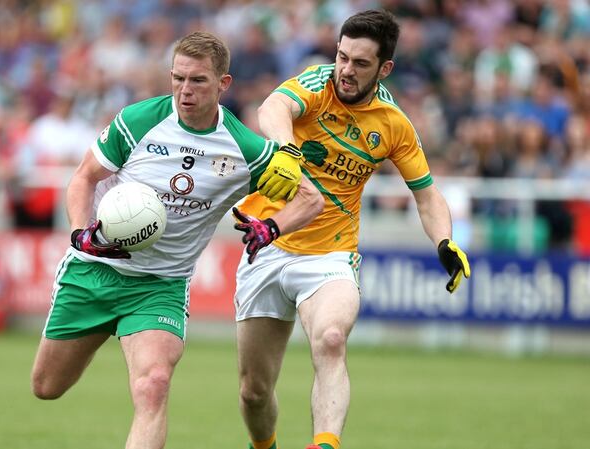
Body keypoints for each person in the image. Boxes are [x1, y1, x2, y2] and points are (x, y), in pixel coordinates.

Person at [30, 31, 324, 449]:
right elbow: (82, 179)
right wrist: (81, 234)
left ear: (223, 84)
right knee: (46, 386)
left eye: (198, 81)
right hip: (95, 269)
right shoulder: (138, 121)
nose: (185, 90)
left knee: (154, 384)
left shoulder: (245, 148)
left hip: (160, 286)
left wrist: (271, 228)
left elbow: (311, 200)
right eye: (178, 78)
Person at [236, 10, 472, 449]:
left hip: (331, 254)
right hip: (266, 244)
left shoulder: (393, 123)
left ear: (385, 69)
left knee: (330, 339)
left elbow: (426, 194)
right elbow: (272, 107)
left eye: (360, 63)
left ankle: (324, 444)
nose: (345, 69)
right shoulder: (315, 82)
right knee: (254, 392)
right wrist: (287, 152)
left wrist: (444, 241)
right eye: (342, 56)